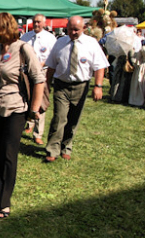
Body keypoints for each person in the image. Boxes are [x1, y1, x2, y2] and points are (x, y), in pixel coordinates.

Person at [0, 13, 43, 218]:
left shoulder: (23, 49)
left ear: (2, 28)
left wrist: (34, 109)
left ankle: (3, 202)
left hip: (16, 109)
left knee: (9, 155)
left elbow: (38, 79)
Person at [43, 16, 109, 162]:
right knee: (59, 117)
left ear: (84, 28)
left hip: (81, 86)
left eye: (76, 30)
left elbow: (100, 66)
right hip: (61, 86)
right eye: (70, 29)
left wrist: (98, 86)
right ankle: (52, 150)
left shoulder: (91, 43)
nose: (73, 32)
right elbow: (51, 66)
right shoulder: (60, 42)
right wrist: (46, 85)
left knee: (73, 119)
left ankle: (66, 147)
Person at [19, 13, 55, 144]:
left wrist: (40, 65)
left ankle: (38, 133)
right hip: (26, 74)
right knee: (26, 98)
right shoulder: (25, 37)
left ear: (44, 23)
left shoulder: (50, 38)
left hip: (42, 73)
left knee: (40, 102)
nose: (36, 24)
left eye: (39, 22)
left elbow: (53, 57)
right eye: (34, 22)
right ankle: (28, 124)